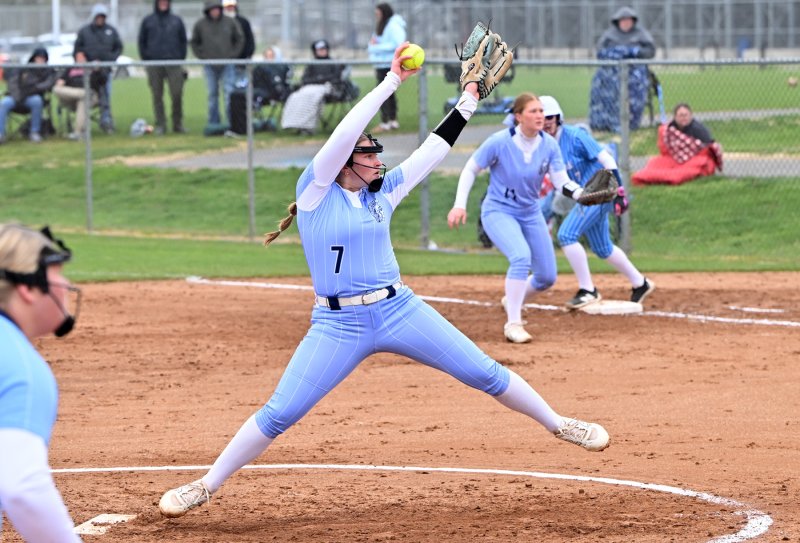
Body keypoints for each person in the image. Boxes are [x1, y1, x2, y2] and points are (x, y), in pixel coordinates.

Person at [158, 44, 610, 519]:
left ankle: (559, 423)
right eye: (369, 156)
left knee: (484, 372)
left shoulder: (384, 192)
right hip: (337, 325)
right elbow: (346, 130)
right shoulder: (315, 193)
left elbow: (433, 149)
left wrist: (470, 99)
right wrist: (392, 80)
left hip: (399, 309)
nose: (378, 162)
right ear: (345, 164)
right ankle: (205, 485)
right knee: (280, 412)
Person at [447, 93, 588, 344]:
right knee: (521, 257)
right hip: (498, 211)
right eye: (533, 111)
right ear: (518, 116)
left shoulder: (549, 145)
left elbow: (561, 181)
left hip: (530, 212)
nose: (540, 116)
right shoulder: (499, 141)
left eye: (541, 111)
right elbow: (470, 169)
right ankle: (513, 323)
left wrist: (581, 194)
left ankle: (512, 297)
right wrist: (459, 204)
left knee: (546, 277)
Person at [0, 223, 82, 542]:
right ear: (27, 287)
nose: (66, 285)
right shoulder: (19, 366)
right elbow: (23, 488)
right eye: (57, 274)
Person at [539, 95, 655, 309]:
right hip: (583, 196)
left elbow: (607, 159)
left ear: (558, 118)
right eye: (541, 118)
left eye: (550, 117)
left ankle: (588, 290)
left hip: (601, 190)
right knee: (603, 248)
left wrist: (619, 191)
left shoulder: (575, 136)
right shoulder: (544, 145)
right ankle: (640, 283)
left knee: (566, 235)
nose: (546, 122)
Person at [589, 6, 655, 133]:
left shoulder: (641, 34)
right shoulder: (609, 35)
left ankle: (631, 124)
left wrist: (633, 52)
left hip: (634, 72)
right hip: (611, 73)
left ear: (633, 21)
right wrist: (616, 52)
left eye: (628, 20)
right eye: (623, 20)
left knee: (636, 88)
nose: (626, 23)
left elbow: (650, 51)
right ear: (618, 22)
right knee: (600, 85)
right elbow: (600, 52)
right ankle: (603, 122)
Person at [632, 103, 723, 186]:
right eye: (680, 115)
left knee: (688, 169)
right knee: (655, 162)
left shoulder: (699, 130)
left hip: (694, 158)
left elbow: (707, 147)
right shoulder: (670, 129)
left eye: (686, 115)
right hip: (675, 158)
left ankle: (670, 177)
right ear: (675, 117)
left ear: (691, 116)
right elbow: (666, 146)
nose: (683, 118)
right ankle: (645, 177)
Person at [191, 0, 245, 127]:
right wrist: (202, 56)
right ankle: (214, 122)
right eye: (212, 9)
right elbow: (194, 42)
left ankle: (232, 122)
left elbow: (240, 38)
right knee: (212, 94)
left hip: (227, 64)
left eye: (216, 8)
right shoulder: (200, 24)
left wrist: (233, 55)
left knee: (228, 93)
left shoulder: (230, 22)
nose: (214, 11)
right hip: (210, 65)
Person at [137, 0, 188, 135]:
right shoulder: (148, 21)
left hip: (174, 63)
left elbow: (183, 41)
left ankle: (177, 123)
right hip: (154, 63)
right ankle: (161, 124)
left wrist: (180, 57)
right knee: (157, 95)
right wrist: (147, 59)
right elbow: (142, 41)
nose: (163, 3)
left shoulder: (176, 21)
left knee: (176, 94)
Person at [280, 39, 348, 134]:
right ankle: (295, 124)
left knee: (312, 97)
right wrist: (320, 78)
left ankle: (308, 127)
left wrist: (319, 79)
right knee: (295, 96)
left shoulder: (333, 63)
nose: (322, 51)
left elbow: (335, 78)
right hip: (309, 87)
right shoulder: (312, 64)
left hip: (325, 88)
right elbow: (305, 79)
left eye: (324, 49)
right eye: (319, 49)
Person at [74, 3, 123, 134]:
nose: (100, 19)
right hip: (88, 72)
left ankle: (106, 121)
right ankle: (83, 124)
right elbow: (77, 50)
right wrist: (85, 62)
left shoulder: (111, 31)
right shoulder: (85, 31)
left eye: (102, 16)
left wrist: (109, 60)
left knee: (106, 95)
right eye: (98, 16)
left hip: (105, 71)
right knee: (87, 95)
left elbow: (118, 48)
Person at [0, 47, 56, 144]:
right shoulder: (24, 68)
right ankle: (1, 134)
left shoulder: (48, 71)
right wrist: (17, 96)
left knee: (37, 101)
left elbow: (47, 84)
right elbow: (13, 83)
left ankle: (34, 132)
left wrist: (32, 89)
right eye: (38, 58)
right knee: (4, 103)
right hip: (16, 97)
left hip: (32, 97)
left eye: (43, 58)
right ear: (34, 58)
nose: (40, 60)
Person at [367, 2, 406, 133]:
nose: (377, 16)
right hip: (380, 64)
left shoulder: (394, 26)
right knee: (387, 93)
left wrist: (376, 47)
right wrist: (374, 46)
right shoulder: (382, 26)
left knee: (384, 93)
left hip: (389, 64)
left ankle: (387, 122)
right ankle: (390, 121)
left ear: (384, 13)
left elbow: (398, 44)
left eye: (378, 13)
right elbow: (372, 42)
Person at [52, 50, 108, 140]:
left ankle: (78, 133)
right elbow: (61, 81)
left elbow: (102, 81)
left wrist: (98, 71)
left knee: (83, 101)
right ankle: (83, 94)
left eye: (82, 57)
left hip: (92, 96)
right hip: (73, 96)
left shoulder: (92, 68)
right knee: (56, 89)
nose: (79, 59)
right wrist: (61, 82)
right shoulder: (70, 68)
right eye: (77, 57)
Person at [222, 0, 255, 82]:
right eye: (227, 7)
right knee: (227, 85)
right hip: (224, 62)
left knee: (241, 85)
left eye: (231, 6)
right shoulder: (219, 23)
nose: (230, 8)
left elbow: (250, 40)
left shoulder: (243, 22)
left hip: (241, 61)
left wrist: (247, 55)